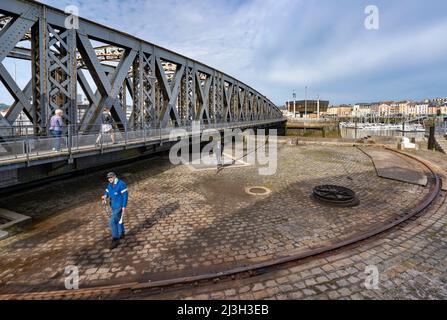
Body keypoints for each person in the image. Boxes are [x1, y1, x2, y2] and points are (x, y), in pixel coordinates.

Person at [101, 172, 128, 249]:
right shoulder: (109, 185)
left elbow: (125, 195)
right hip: (113, 205)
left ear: (115, 177)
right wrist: (105, 196)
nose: (110, 179)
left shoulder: (121, 184)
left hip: (119, 205)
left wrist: (124, 206)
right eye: (108, 178)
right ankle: (121, 233)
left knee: (112, 221)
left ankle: (115, 239)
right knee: (118, 219)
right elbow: (107, 192)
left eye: (111, 177)